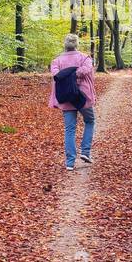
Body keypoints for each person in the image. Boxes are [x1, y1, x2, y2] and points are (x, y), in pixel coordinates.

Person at [48, 33, 97, 170]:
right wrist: (76, 73)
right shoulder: (84, 58)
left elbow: (56, 75)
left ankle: (70, 162)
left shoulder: (57, 61)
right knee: (90, 121)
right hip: (82, 96)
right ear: (77, 44)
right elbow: (87, 70)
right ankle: (85, 152)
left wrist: (67, 74)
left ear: (65, 44)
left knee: (70, 129)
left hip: (65, 97)